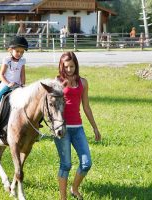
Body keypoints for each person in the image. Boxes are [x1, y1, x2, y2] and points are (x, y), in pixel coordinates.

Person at [54, 52, 101, 200]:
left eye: (72, 66)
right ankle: (63, 198)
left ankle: (74, 188)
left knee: (86, 163)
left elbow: (86, 107)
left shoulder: (83, 83)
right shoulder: (57, 82)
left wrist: (94, 127)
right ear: (61, 66)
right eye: (66, 66)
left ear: (76, 65)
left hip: (78, 128)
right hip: (62, 129)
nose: (69, 69)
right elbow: (51, 106)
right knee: (66, 165)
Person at [0, 36, 28, 127]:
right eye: (17, 51)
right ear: (11, 50)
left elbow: (22, 75)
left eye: (22, 52)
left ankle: (27, 118)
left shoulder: (22, 61)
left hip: (18, 85)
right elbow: (1, 74)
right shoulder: (7, 60)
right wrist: (8, 83)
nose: (19, 54)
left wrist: (23, 84)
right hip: (6, 84)